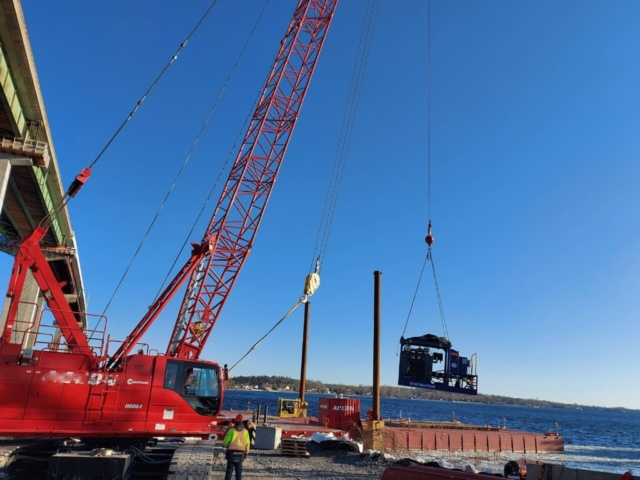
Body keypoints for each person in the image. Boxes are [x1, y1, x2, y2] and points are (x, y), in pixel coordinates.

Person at [222, 414, 250, 480]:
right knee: (238, 472)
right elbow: (247, 443)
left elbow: (225, 442)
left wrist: (226, 446)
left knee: (229, 471)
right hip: (241, 454)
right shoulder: (245, 432)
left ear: (235, 421)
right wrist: (246, 453)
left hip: (231, 454)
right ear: (242, 422)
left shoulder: (231, 431)